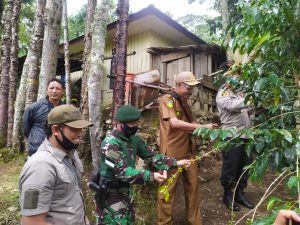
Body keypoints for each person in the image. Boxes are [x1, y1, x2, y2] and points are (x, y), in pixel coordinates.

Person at [93, 105, 191, 225]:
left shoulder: (133, 139)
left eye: (136, 122)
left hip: (126, 192)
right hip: (111, 195)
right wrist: (151, 176)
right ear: (119, 123)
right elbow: (123, 172)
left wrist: (175, 163)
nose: (135, 126)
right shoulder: (110, 144)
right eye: (131, 123)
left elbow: (151, 156)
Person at [157, 71, 218, 225]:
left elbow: (191, 123)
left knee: (193, 189)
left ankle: (194, 221)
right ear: (178, 85)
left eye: (192, 88)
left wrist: (204, 130)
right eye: (188, 88)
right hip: (171, 154)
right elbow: (175, 123)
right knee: (167, 191)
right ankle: (165, 222)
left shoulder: (185, 101)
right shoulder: (167, 99)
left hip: (189, 153)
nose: (191, 92)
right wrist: (203, 126)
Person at [19, 104, 92, 225]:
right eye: (74, 129)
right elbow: (32, 222)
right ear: (56, 130)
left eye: (82, 128)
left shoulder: (71, 155)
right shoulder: (40, 166)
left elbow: (72, 197)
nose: (80, 133)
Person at [216, 68, 255, 211]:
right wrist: (252, 98)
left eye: (239, 75)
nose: (238, 79)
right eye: (235, 76)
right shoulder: (223, 92)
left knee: (245, 166)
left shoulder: (241, 93)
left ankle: (239, 193)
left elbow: (248, 110)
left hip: (247, 134)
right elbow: (233, 106)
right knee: (230, 166)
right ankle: (227, 194)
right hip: (231, 135)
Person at [23, 78, 64, 157]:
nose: (54, 91)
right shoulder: (34, 107)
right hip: (36, 149)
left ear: (62, 91)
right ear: (47, 90)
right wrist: (34, 138)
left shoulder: (65, 109)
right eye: (51, 88)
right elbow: (26, 127)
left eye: (58, 89)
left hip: (58, 150)